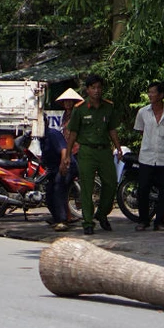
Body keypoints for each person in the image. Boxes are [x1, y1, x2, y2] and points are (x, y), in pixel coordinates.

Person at [61, 74, 123, 235]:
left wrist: (118, 148)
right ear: (87, 90)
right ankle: (88, 222)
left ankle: (102, 214)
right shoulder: (80, 109)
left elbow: (112, 130)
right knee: (87, 188)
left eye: (99, 88)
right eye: (93, 88)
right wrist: (67, 154)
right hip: (87, 151)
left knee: (111, 184)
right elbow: (72, 133)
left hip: (104, 151)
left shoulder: (108, 107)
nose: (96, 91)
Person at [132, 81, 164, 231]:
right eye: (149, 92)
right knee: (144, 189)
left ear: (161, 95)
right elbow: (141, 131)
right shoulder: (142, 112)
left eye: (153, 92)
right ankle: (143, 220)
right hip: (147, 156)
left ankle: (160, 221)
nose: (150, 95)